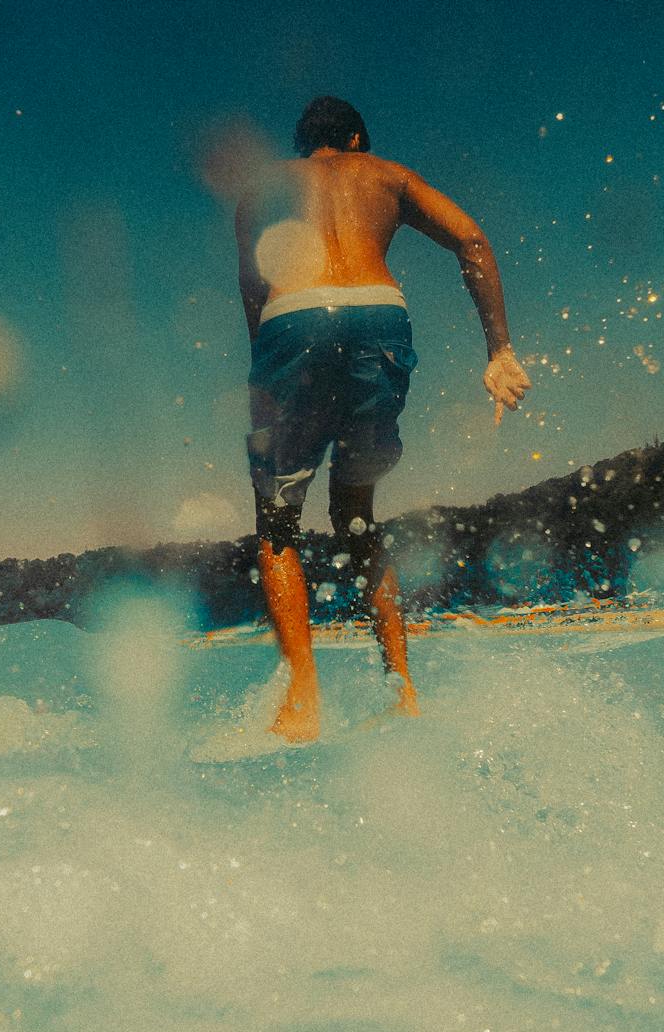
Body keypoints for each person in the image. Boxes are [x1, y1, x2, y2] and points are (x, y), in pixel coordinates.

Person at [234, 96, 532, 742]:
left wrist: (275, 379)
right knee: (358, 516)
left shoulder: (266, 189)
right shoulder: (388, 175)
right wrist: (499, 348)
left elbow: (254, 289)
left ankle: (302, 701)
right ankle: (403, 693)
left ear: (301, 142)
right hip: (379, 315)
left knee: (278, 515)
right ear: (358, 139)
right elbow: (471, 239)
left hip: (295, 319)